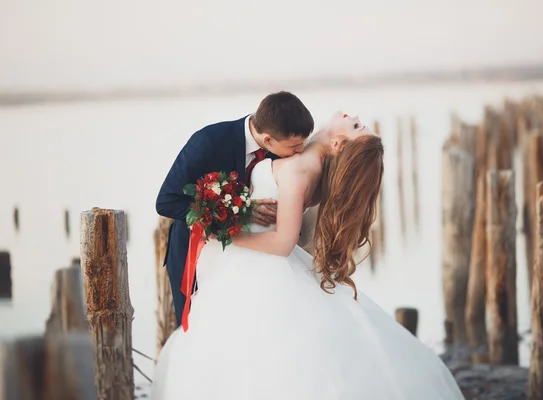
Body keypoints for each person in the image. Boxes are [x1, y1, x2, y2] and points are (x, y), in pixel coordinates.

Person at [151, 112, 465, 399]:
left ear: (339, 144)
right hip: (239, 262)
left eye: (356, 126)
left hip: (256, 262)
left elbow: (284, 243)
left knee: (247, 350)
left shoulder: (300, 169)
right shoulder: (297, 152)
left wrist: (227, 236)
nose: (352, 116)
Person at [155, 91, 314, 326]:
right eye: (295, 146)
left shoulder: (282, 148)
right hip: (198, 257)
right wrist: (237, 210)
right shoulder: (209, 141)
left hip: (258, 263)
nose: (300, 151)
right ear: (268, 139)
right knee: (200, 331)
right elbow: (166, 201)